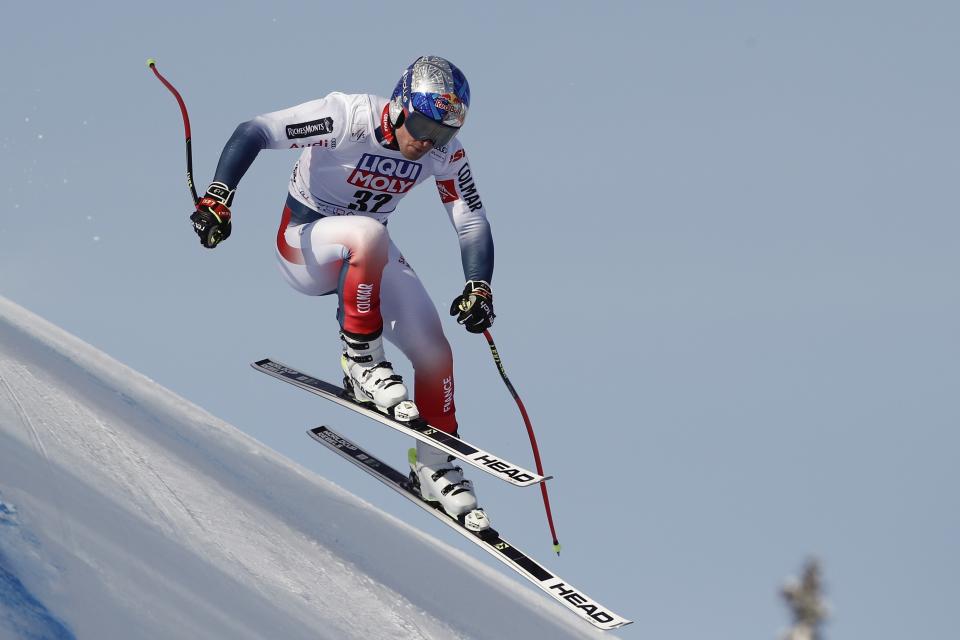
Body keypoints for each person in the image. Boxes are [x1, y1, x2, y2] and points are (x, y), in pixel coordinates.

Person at [189, 56, 495, 523]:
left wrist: (479, 285)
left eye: (441, 134)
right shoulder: (348, 117)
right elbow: (254, 130)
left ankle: (434, 465)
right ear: (398, 105)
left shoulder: (442, 153)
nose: (425, 142)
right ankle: (360, 359)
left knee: (436, 351)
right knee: (368, 234)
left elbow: (470, 218)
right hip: (305, 246)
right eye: (420, 125)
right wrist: (219, 195)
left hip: (365, 257)